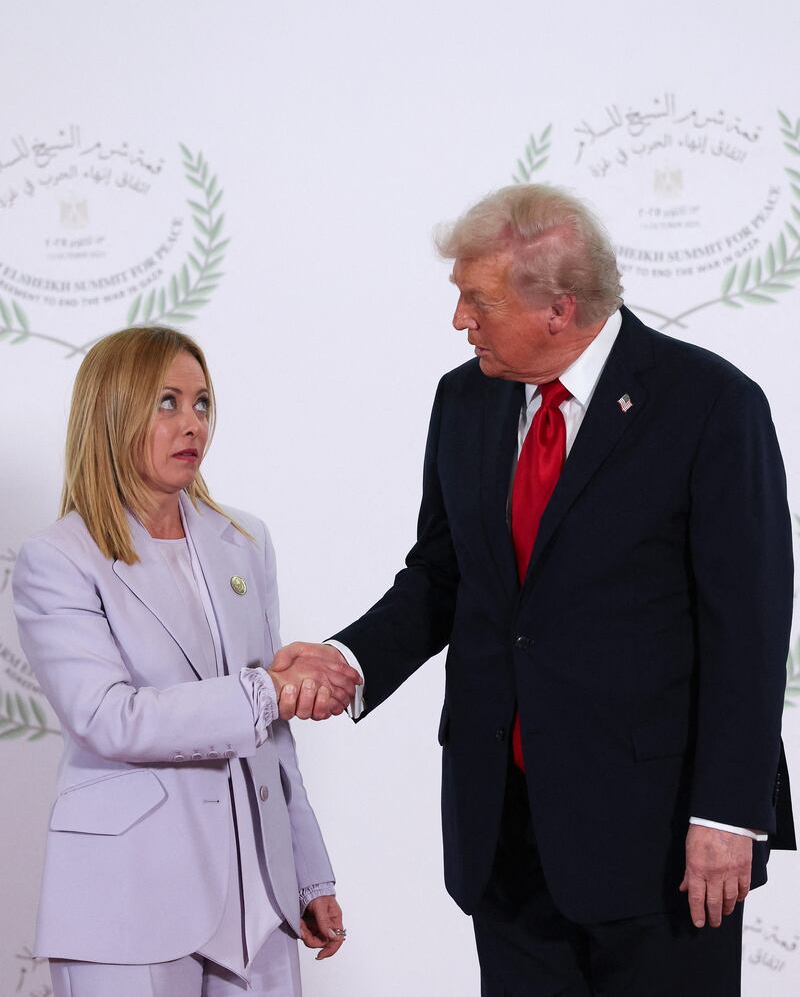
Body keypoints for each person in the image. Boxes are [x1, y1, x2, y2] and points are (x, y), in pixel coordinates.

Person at [271, 185, 795, 995]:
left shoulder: (710, 406)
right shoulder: (465, 399)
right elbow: (444, 575)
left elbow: (750, 629)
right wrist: (349, 657)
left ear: (559, 307)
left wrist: (728, 814)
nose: (459, 322)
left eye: (475, 300)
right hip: (506, 832)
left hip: (662, 843)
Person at [12, 326, 362, 997]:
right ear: (113, 412)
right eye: (167, 402)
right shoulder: (58, 559)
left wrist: (308, 874)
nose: (191, 423)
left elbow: (274, 740)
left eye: (202, 403)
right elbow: (109, 718)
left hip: (257, 900)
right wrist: (267, 692)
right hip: (125, 904)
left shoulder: (245, 540)